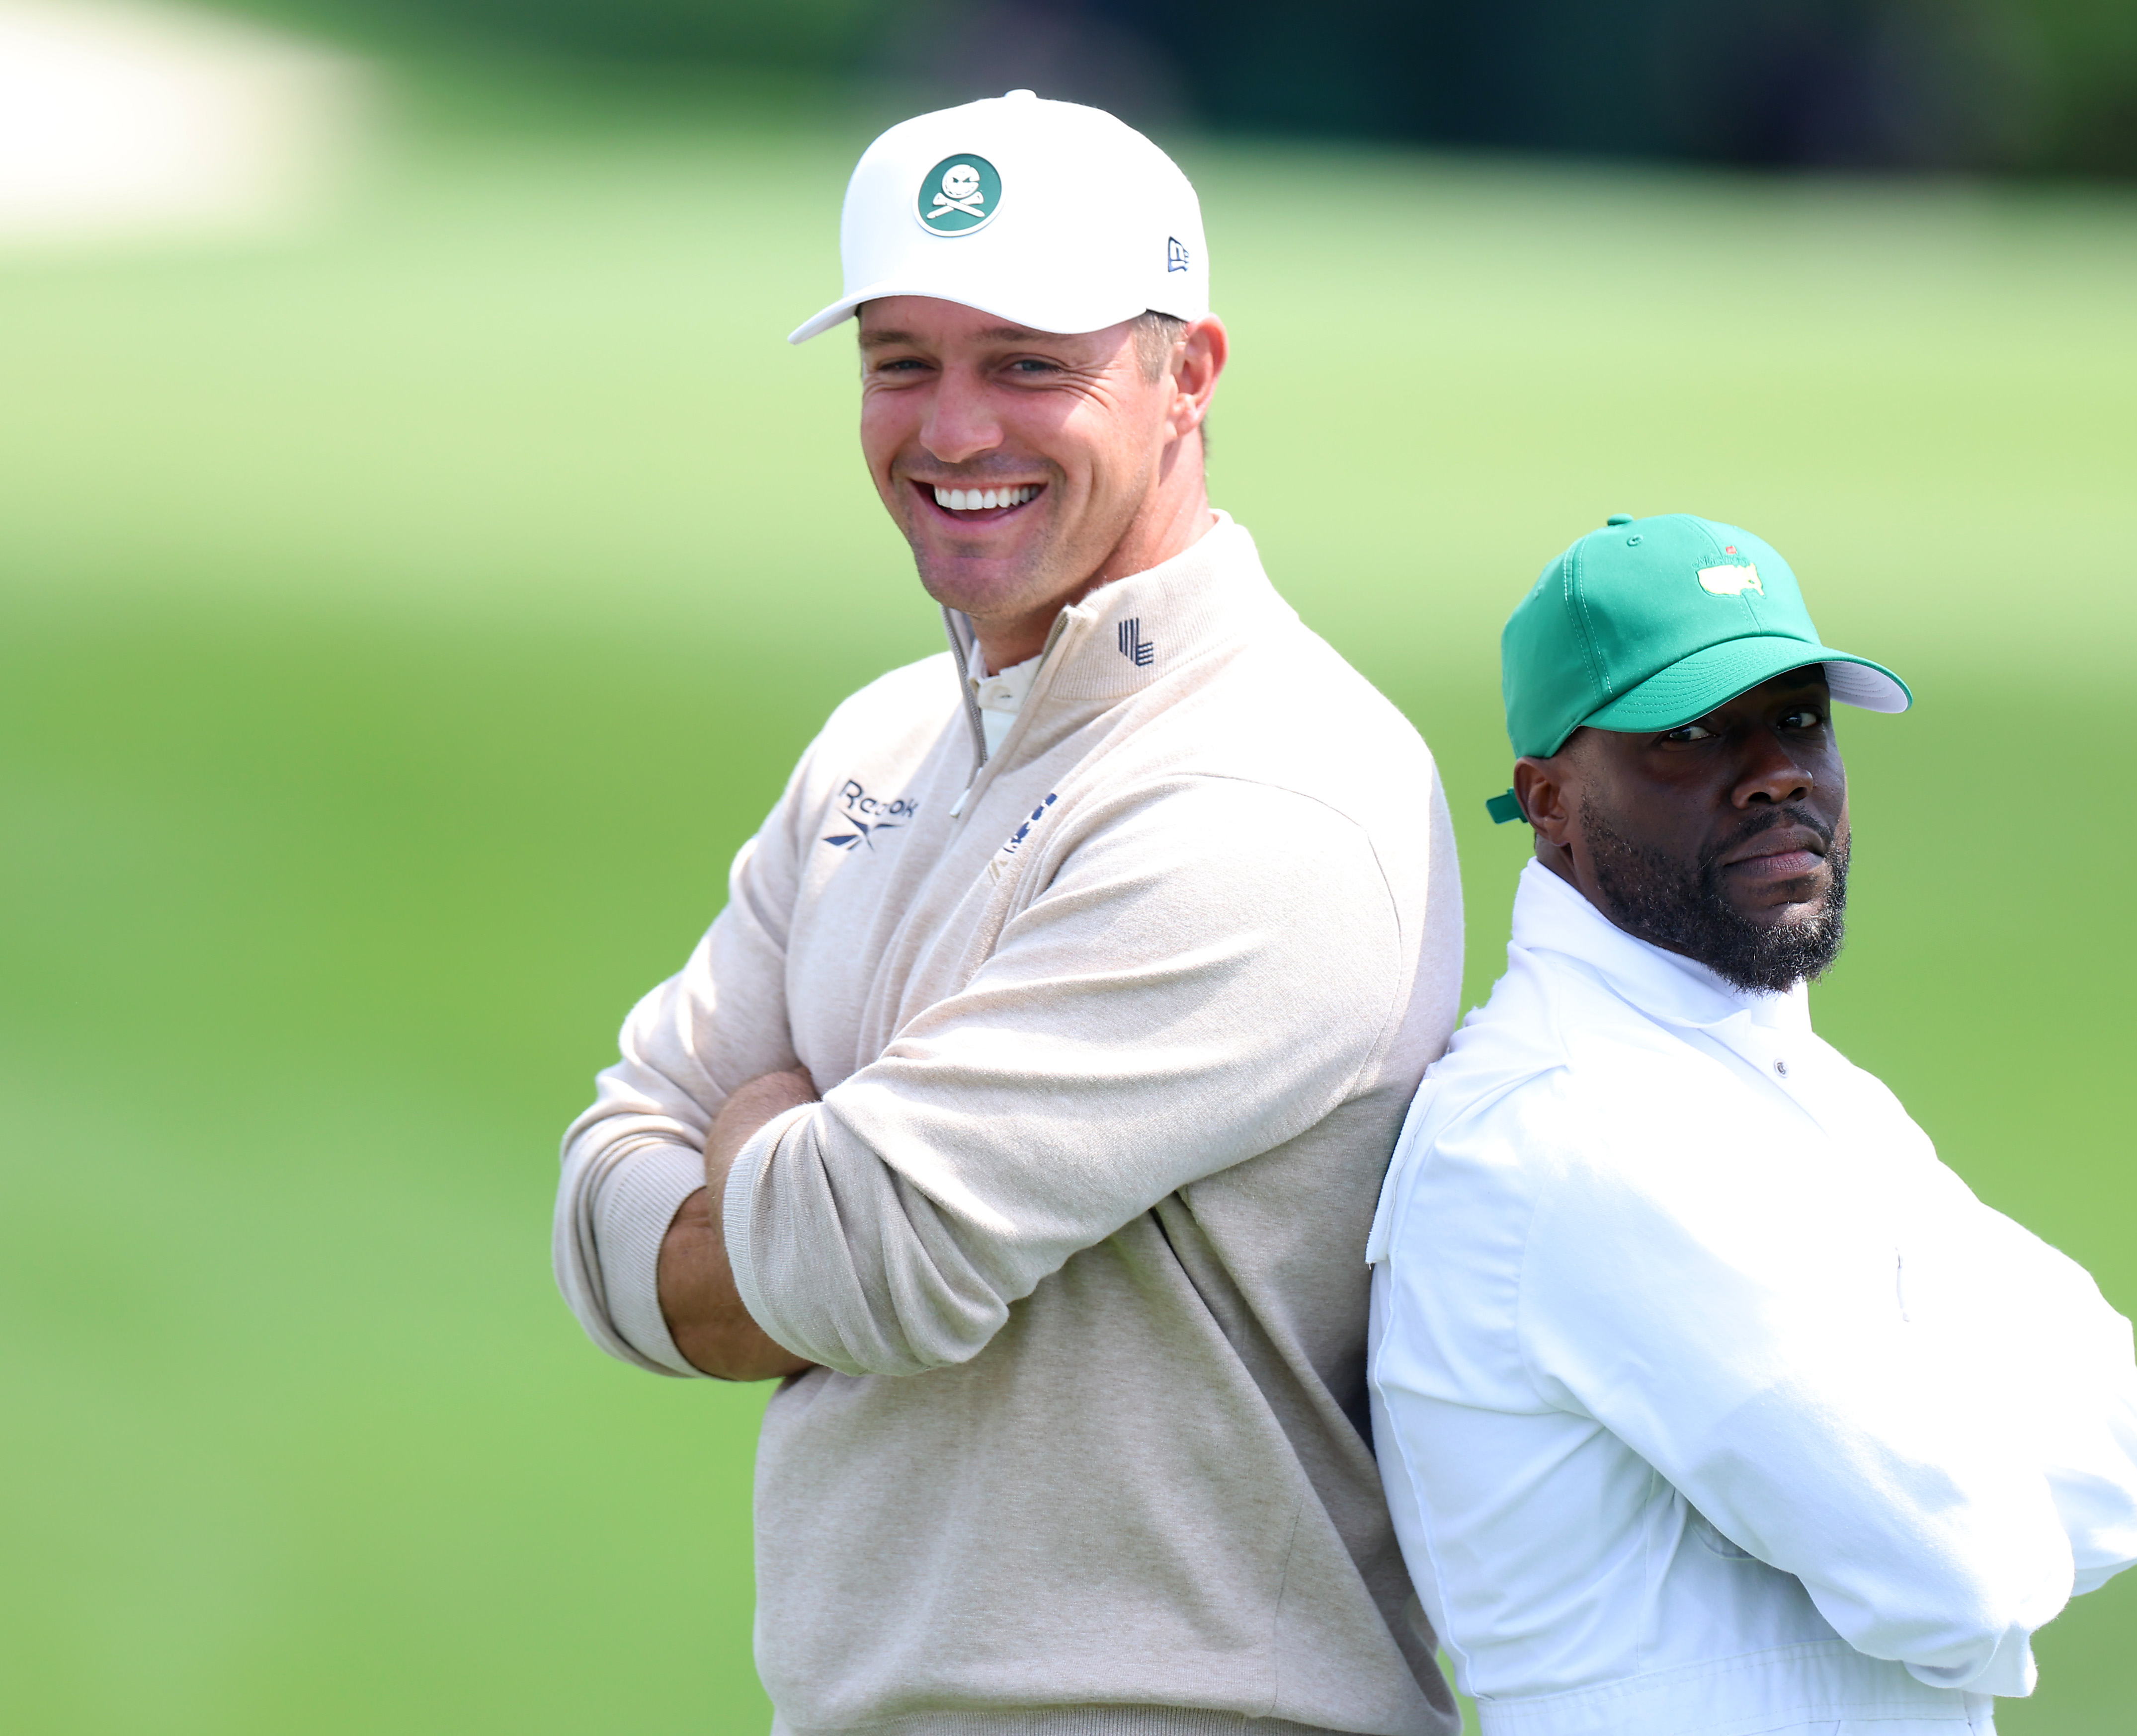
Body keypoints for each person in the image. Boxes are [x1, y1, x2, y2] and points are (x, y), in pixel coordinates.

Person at [552, 91, 1464, 1736]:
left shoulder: (1273, 790)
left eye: (1032, 363)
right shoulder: (882, 741)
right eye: (901, 359)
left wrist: (756, 1134)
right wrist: (795, 1178)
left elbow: (866, 1265)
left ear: (1189, 375)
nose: (952, 429)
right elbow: (601, 1207)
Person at [1366, 513, 2137, 1734]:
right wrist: (1931, 1407)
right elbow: (1960, 1578)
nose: (1777, 771)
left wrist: (1907, 1430)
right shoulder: (1562, 1134)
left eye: (1798, 717)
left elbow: (2130, 1471)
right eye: (1693, 734)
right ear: (1548, 801)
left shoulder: (1800, 1080)